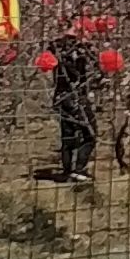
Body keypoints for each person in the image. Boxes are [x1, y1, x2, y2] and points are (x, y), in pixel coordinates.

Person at [47, 29, 100, 181]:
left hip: (61, 98)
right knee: (90, 134)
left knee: (68, 135)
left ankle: (68, 170)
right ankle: (79, 169)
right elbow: (93, 68)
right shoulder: (81, 48)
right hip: (75, 96)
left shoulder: (56, 47)